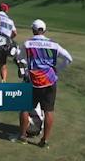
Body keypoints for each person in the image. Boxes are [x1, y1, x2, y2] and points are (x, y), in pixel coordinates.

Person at [15, 19, 73, 149]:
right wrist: (57, 69)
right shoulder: (54, 44)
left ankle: (23, 137)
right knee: (49, 111)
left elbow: (19, 58)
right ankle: (44, 140)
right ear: (44, 30)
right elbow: (68, 58)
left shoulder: (28, 43)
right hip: (50, 81)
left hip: (33, 81)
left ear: (33, 30)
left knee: (24, 108)